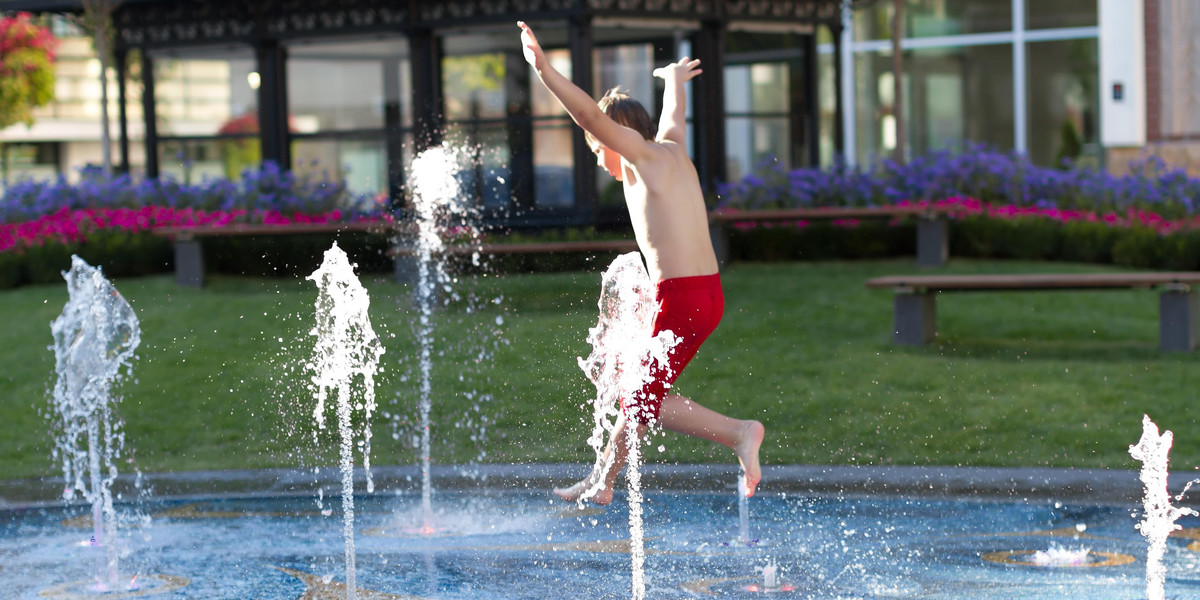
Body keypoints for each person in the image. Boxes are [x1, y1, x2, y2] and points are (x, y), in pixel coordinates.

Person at [518, 21, 765, 505]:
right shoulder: (672, 150)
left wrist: (545, 71)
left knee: (638, 397)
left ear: (619, 137)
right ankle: (604, 479)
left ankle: (740, 433)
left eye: (597, 150)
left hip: (686, 299)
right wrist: (673, 79)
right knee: (639, 392)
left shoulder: (644, 159)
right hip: (704, 294)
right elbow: (674, 114)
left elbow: (590, 114)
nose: (598, 159)